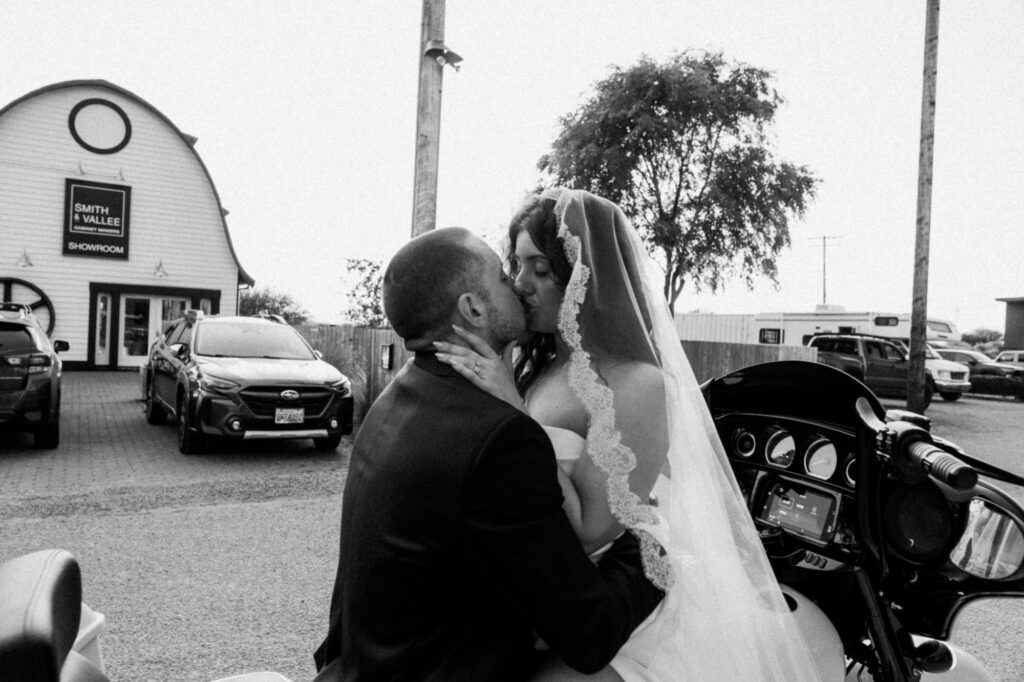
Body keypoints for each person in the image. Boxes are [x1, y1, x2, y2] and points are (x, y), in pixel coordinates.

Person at [435, 190, 828, 680]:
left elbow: (591, 530)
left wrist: (510, 413)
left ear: (588, 278)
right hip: (540, 591)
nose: (521, 285)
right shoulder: (535, 367)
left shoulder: (639, 384)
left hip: (616, 610)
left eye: (541, 269)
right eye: (517, 266)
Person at [312, 226, 664, 681]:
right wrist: (652, 552)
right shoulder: (497, 437)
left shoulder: (397, 398)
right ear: (473, 309)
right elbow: (590, 634)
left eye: (536, 269)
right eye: (505, 273)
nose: (517, 284)